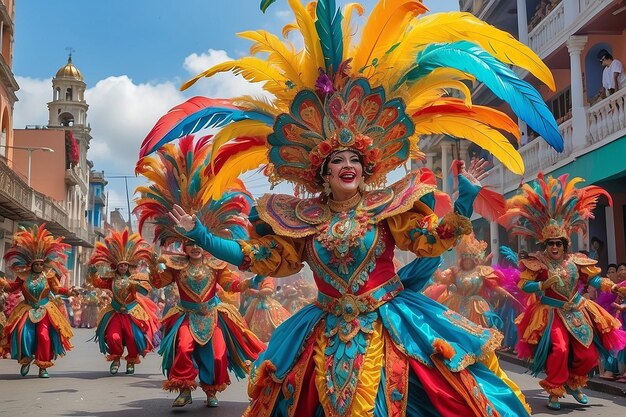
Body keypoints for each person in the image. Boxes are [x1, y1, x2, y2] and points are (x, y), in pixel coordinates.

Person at [139, 0, 567, 414]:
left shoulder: (390, 206)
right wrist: (201, 236)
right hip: (324, 327)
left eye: (354, 160)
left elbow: (431, 242)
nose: (347, 166)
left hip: (390, 321)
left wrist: (463, 204)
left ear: (367, 169)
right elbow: (257, 258)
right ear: (323, 173)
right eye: (337, 160)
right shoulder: (300, 220)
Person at [134, 136, 265, 408]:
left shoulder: (216, 265)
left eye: (198, 243)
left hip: (213, 314)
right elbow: (159, 282)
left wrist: (250, 282)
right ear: (183, 244)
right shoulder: (176, 265)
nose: (194, 248)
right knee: (183, 348)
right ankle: (184, 389)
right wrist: (152, 266)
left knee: (217, 354)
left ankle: (211, 390)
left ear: (204, 244)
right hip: (186, 314)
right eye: (189, 243)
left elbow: (229, 284)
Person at [500, 173, 626, 410]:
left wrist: (613, 287)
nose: (555, 247)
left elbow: (594, 280)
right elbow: (523, 285)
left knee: (588, 356)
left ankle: (573, 382)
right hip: (552, 312)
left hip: (579, 310)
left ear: (565, 244)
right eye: (551, 243)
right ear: (544, 245)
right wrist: (541, 285)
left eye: (559, 243)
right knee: (560, 349)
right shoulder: (537, 262)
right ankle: (555, 389)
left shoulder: (576, 260)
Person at [0, 225, 73, 378]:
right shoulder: (23, 276)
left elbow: (56, 289)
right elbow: (11, 288)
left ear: (44, 263)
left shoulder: (49, 275)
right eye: (36, 264)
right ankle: (26, 359)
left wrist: (69, 291)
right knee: (22, 333)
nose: (39, 266)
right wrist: (2, 282)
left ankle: (43, 366)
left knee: (44, 335)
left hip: (45, 309)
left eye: (41, 264)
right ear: (31, 264)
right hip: (26, 309)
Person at [87, 228, 160, 375]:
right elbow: (98, 283)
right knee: (114, 337)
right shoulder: (111, 279)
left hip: (132, 313)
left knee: (134, 337)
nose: (123, 267)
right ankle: (116, 359)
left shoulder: (135, 277)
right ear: (116, 266)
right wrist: (93, 273)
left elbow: (146, 290)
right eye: (120, 265)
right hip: (115, 313)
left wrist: (136, 285)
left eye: (125, 265)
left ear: (128, 266)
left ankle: (131, 360)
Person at [242, 276, 291, 343]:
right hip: (255, 303)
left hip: (264, 305)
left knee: (269, 323)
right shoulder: (256, 277)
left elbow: (269, 290)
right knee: (246, 322)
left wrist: (257, 292)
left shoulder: (267, 277)